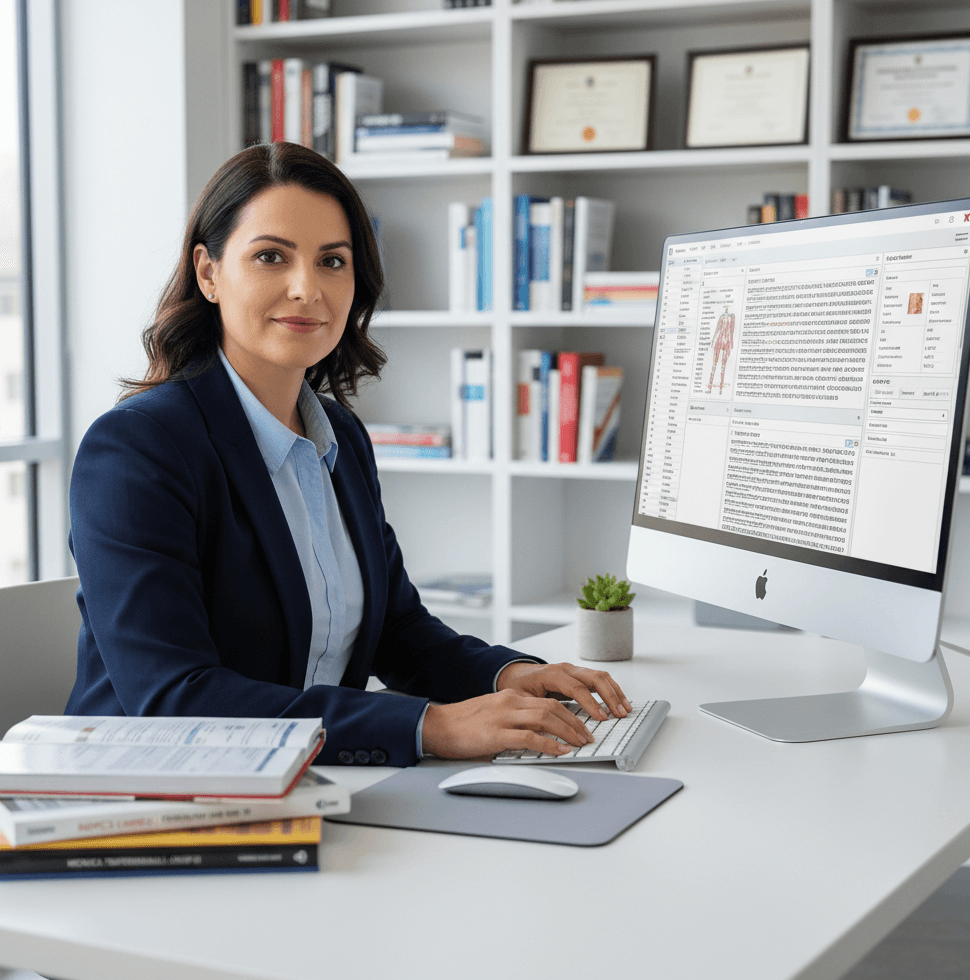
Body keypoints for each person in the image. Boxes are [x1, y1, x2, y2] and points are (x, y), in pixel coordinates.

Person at [66, 141, 631, 768]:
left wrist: (509, 676)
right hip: (151, 796)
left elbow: (397, 632)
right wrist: (430, 726)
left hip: (311, 779)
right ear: (208, 273)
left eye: (332, 260)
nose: (306, 288)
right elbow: (175, 697)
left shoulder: (339, 436)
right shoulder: (138, 448)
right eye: (271, 257)